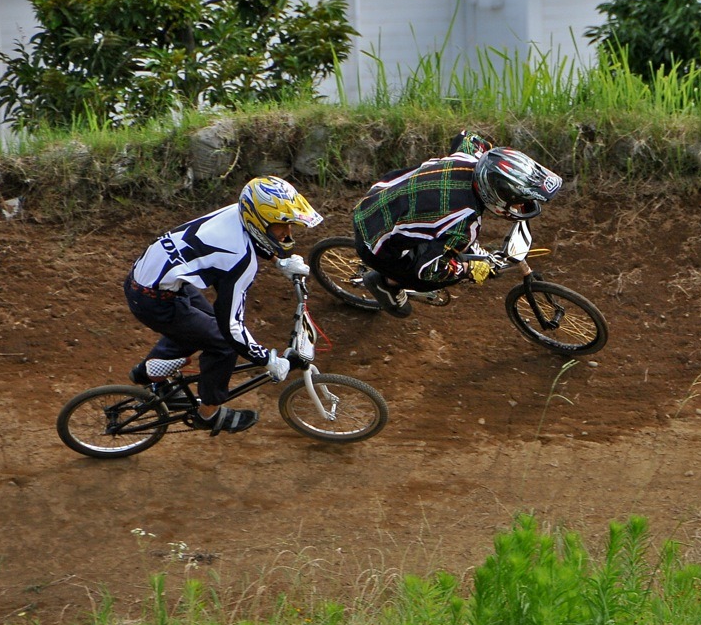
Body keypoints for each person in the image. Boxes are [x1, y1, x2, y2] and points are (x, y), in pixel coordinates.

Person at [125, 176, 322, 435]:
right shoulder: (240, 261)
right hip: (154, 300)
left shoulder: (239, 210)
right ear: (260, 220)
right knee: (224, 345)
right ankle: (208, 413)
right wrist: (266, 359)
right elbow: (232, 326)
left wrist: (278, 260)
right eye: (282, 226)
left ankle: (149, 374)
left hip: (155, 280)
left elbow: (251, 237)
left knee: (199, 328)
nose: (288, 233)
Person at [352, 130, 563, 318]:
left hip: (380, 195)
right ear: (496, 197)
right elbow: (428, 269)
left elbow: (467, 136)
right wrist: (467, 268)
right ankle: (388, 284)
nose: (520, 205)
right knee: (429, 277)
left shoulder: (469, 157)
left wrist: (491, 156)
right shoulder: (462, 225)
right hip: (375, 241)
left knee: (442, 237)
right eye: (517, 201)